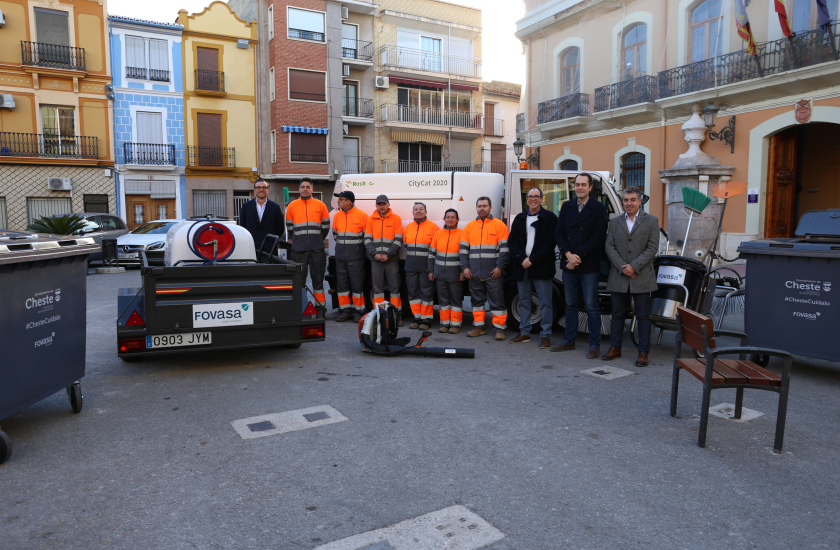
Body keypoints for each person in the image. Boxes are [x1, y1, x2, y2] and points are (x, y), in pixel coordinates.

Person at [553, 172, 609, 359]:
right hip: (569, 263)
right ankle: (569, 341)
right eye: (577, 184)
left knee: (592, 306)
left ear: (590, 187)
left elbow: (598, 237)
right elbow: (559, 232)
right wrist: (569, 255)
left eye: (584, 184)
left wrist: (578, 257)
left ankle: (594, 344)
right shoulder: (567, 206)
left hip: (589, 265)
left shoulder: (599, 208)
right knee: (570, 305)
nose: (580, 188)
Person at [602, 186, 660, 367]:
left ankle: (643, 352)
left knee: (643, 316)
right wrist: (623, 267)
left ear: (640, 201)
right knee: (617, 314)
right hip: (619, 275)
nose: (629, 203)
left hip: (641, 276)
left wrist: (634, 266)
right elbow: (609, 246)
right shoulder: (616, 221)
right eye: (626, 200)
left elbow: (652, 248)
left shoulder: (651, 221)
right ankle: (615, 347)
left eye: (633, 200)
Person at [508, 187, 559, 349]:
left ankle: (546, 335)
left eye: (537, 196)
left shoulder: (550, 218)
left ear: (542, 199)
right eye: (530, 196)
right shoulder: (519, 218)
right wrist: (522, 259)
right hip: (522, 266)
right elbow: (512, 242)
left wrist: (533, 259)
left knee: (545, 302)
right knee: (523, 301)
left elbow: (550, 242)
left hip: (542, 267)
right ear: (527, 199)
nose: (533, 199)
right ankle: (524, 332)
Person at [460, 196, 510, 341]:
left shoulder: (499, 225)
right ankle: (479, 327)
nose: (482, 208)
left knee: (497, 302)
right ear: (476, 208)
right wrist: (465, 268)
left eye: (485, 206)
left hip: (493, 273)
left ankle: (499, 329)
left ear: (490, 208)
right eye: (479, 206)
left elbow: (505, 249)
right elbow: (463, 250)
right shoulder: (469, 227)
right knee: (476, 302)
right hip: (474, 273)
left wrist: (500, 267)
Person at [285, 178, 330, 318]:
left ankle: (320, 310)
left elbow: (325, 227)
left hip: (317, 250)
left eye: (308, 187)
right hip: (299, 250)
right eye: (303, 187)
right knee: (300, 281)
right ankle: (302, 308)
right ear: (299, 189)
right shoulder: (292, 206)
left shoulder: (321, 205)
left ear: (312, 189)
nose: (305, 189)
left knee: (318, 281)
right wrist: (300, 240)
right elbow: (290, 227)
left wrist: (316, 240)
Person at [364, 194, 404, 320]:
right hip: (375, 260)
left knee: (394, 288)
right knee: (377, 289)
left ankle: (396, 316)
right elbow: (367, 240)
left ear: (388, 205)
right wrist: (375, 254)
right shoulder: (371, 219)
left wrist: (388, 255)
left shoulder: (396, 219)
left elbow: (398, 240)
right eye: (379, 204)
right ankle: (379, 316)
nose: (382, 206)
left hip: (391, 259)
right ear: (376, 205)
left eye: (384, 204)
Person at [332, 190, 368, 322]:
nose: (338, 201)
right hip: (341, 257)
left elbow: (367, 237)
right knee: (342, 286)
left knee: (357, 286)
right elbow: (335, 235)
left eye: (341, 199)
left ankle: (358, 312)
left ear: (349, 202)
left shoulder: (362, 216)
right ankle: (345, 311)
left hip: (356, 258)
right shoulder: (337, 216)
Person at [428, 209, 465, 334]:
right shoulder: (438, 234)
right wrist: (431, 271)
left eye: (453, 217)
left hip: (455, 275)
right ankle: (444, 324)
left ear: (457, 220)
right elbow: (431, 254)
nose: (450, 219)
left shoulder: (462, 234)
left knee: (455, 300)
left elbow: (464, 255)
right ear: (444, 219)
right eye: (448, 217)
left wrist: (462, 271)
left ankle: (455, 324)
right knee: (443, 300)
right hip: (440, 274)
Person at [404, 202, 439, 330]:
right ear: (413, 212)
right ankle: (416, 318)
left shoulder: (433, 227)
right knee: (413, 294)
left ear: (426, 211)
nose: (418, 211)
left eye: (421, 209)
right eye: (416, 209)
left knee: (427, 294)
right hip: (410, 268)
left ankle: (426, 319)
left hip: (426, 268)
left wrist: (432, 269)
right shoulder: (408, 227)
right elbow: (407, 246)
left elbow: (435, 250)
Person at [238, 179, 285, 252]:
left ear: (268, 190)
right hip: (250, 246)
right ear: (254, 190)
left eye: (264, 187)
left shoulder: (276, 207)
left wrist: (271, 239)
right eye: (258, 187)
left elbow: (280, 229)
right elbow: (242, 227)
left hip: (270, 248)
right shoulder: (246, 206)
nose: (261, 189)